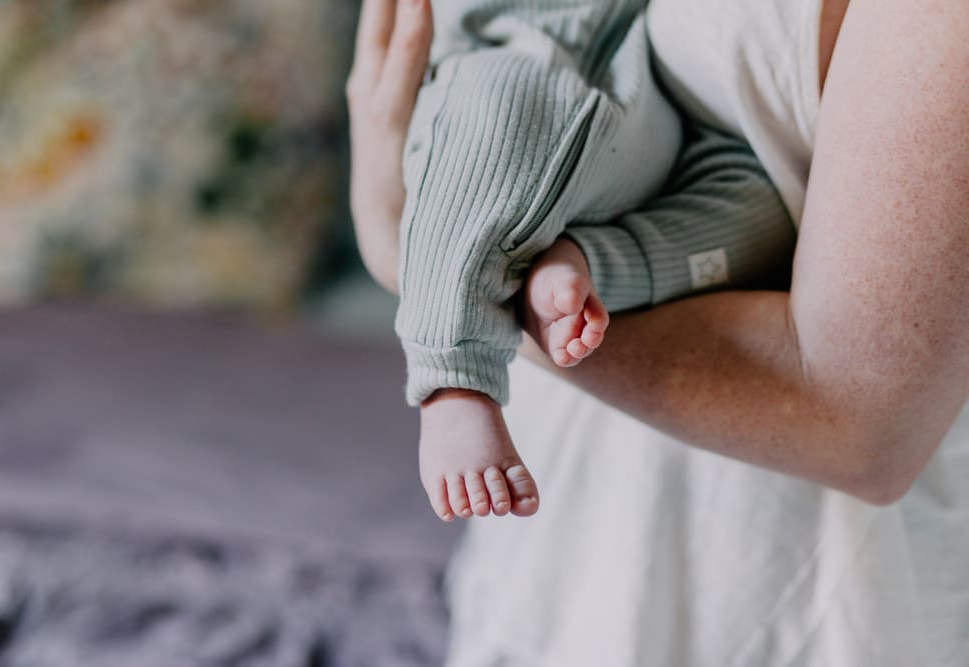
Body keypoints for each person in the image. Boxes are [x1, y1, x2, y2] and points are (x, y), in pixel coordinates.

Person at [347, 0, 969, 663]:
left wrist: (408, 255)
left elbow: (865, 430)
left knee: (751, 218)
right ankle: (467, 345)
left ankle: (474, 338)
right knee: (508, 112)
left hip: (803, 588)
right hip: (566, 535)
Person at [395, 0, 794, 523]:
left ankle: (583, 263)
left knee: (768, 214)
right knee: (502, 112)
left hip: (650, 99)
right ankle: (455, 373)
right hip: (520, 54)